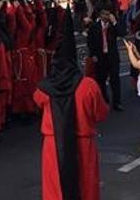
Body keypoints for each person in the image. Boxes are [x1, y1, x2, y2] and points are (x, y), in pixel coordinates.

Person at [33, 11, 108, 200]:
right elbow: (101, 114)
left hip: (53, 144)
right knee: (86, 188)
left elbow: (37, 100)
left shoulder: (45, 88)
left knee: (55, 189)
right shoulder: (88, 86)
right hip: (83, 144)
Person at [86, 10, 122, 111]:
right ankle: (104, 100)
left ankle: (117, 102)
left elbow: (122, 33)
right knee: (101, 80)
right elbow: (90, 41)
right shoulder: (94, 26)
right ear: (100, 15)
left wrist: (114, 22)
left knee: (115, 79)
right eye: (104, 14)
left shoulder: (112, 26)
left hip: (112, 56)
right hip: (100, 56)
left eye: (108, 14)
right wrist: (92, 55)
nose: (106, 17)